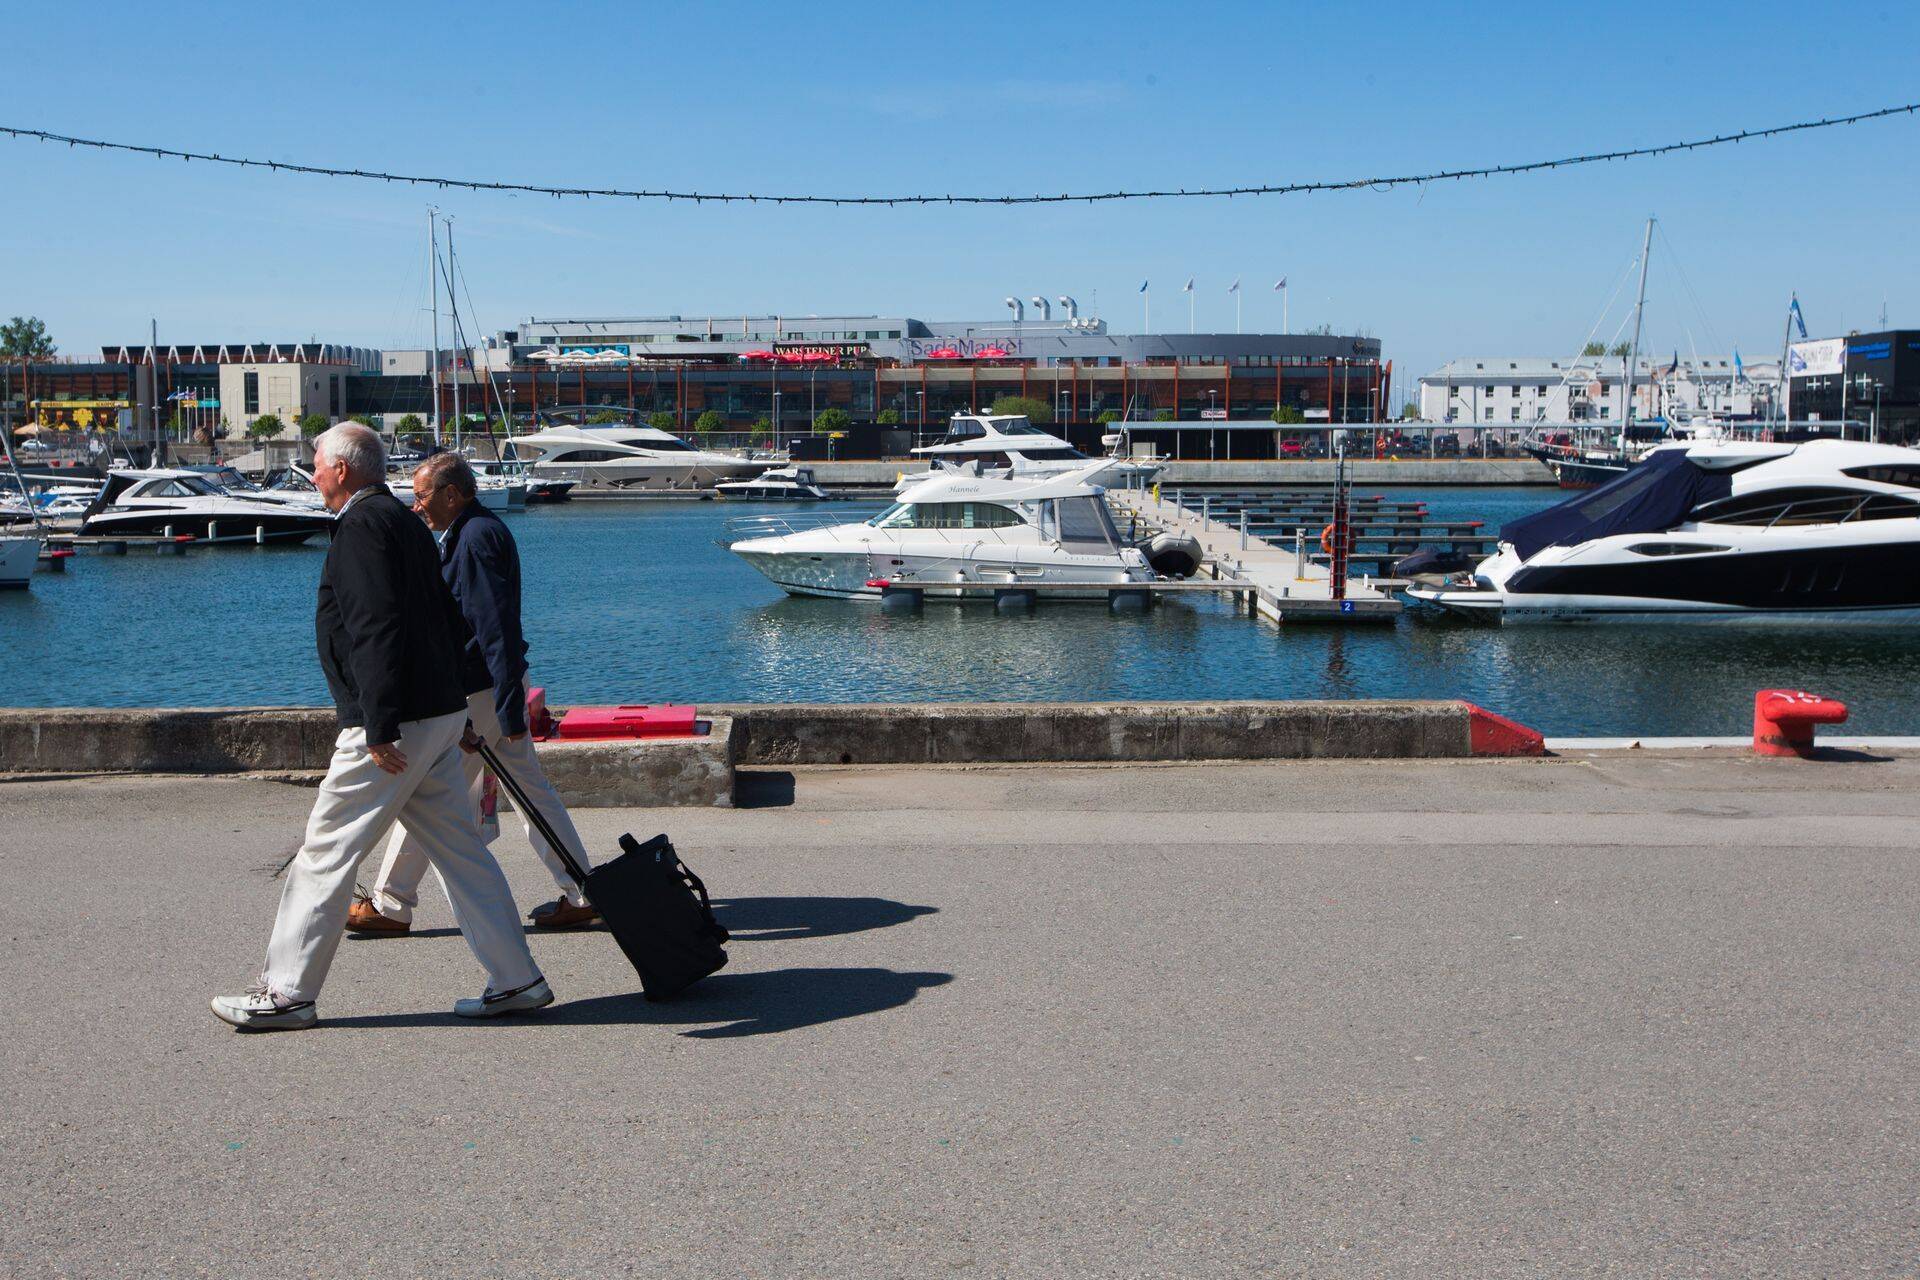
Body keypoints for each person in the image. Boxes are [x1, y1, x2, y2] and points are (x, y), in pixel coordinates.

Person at [211, 424, 552, 1031]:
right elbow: (449, 618)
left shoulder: (362, 527)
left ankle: (287, 993)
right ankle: (516, 979)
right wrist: (458, 714)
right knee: (462, 852)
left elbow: (375, 627)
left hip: (398, 724)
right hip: (437, 715)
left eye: (316, 464)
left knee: (325, 851)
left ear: (343, 469)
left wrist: (378, 725)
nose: (312, 474)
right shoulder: (403, 522)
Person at [346, 452, 598, 935]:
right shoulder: (476, 531)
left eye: (421, 496)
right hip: (496, 687)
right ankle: (582, 890)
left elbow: (494, 627)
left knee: (429, 793)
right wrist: (511, 702)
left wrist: (505, 708)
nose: (416, 506)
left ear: (451, 494)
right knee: (532, 795)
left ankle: (392, 904)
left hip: (480, 692)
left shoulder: (474, 539)